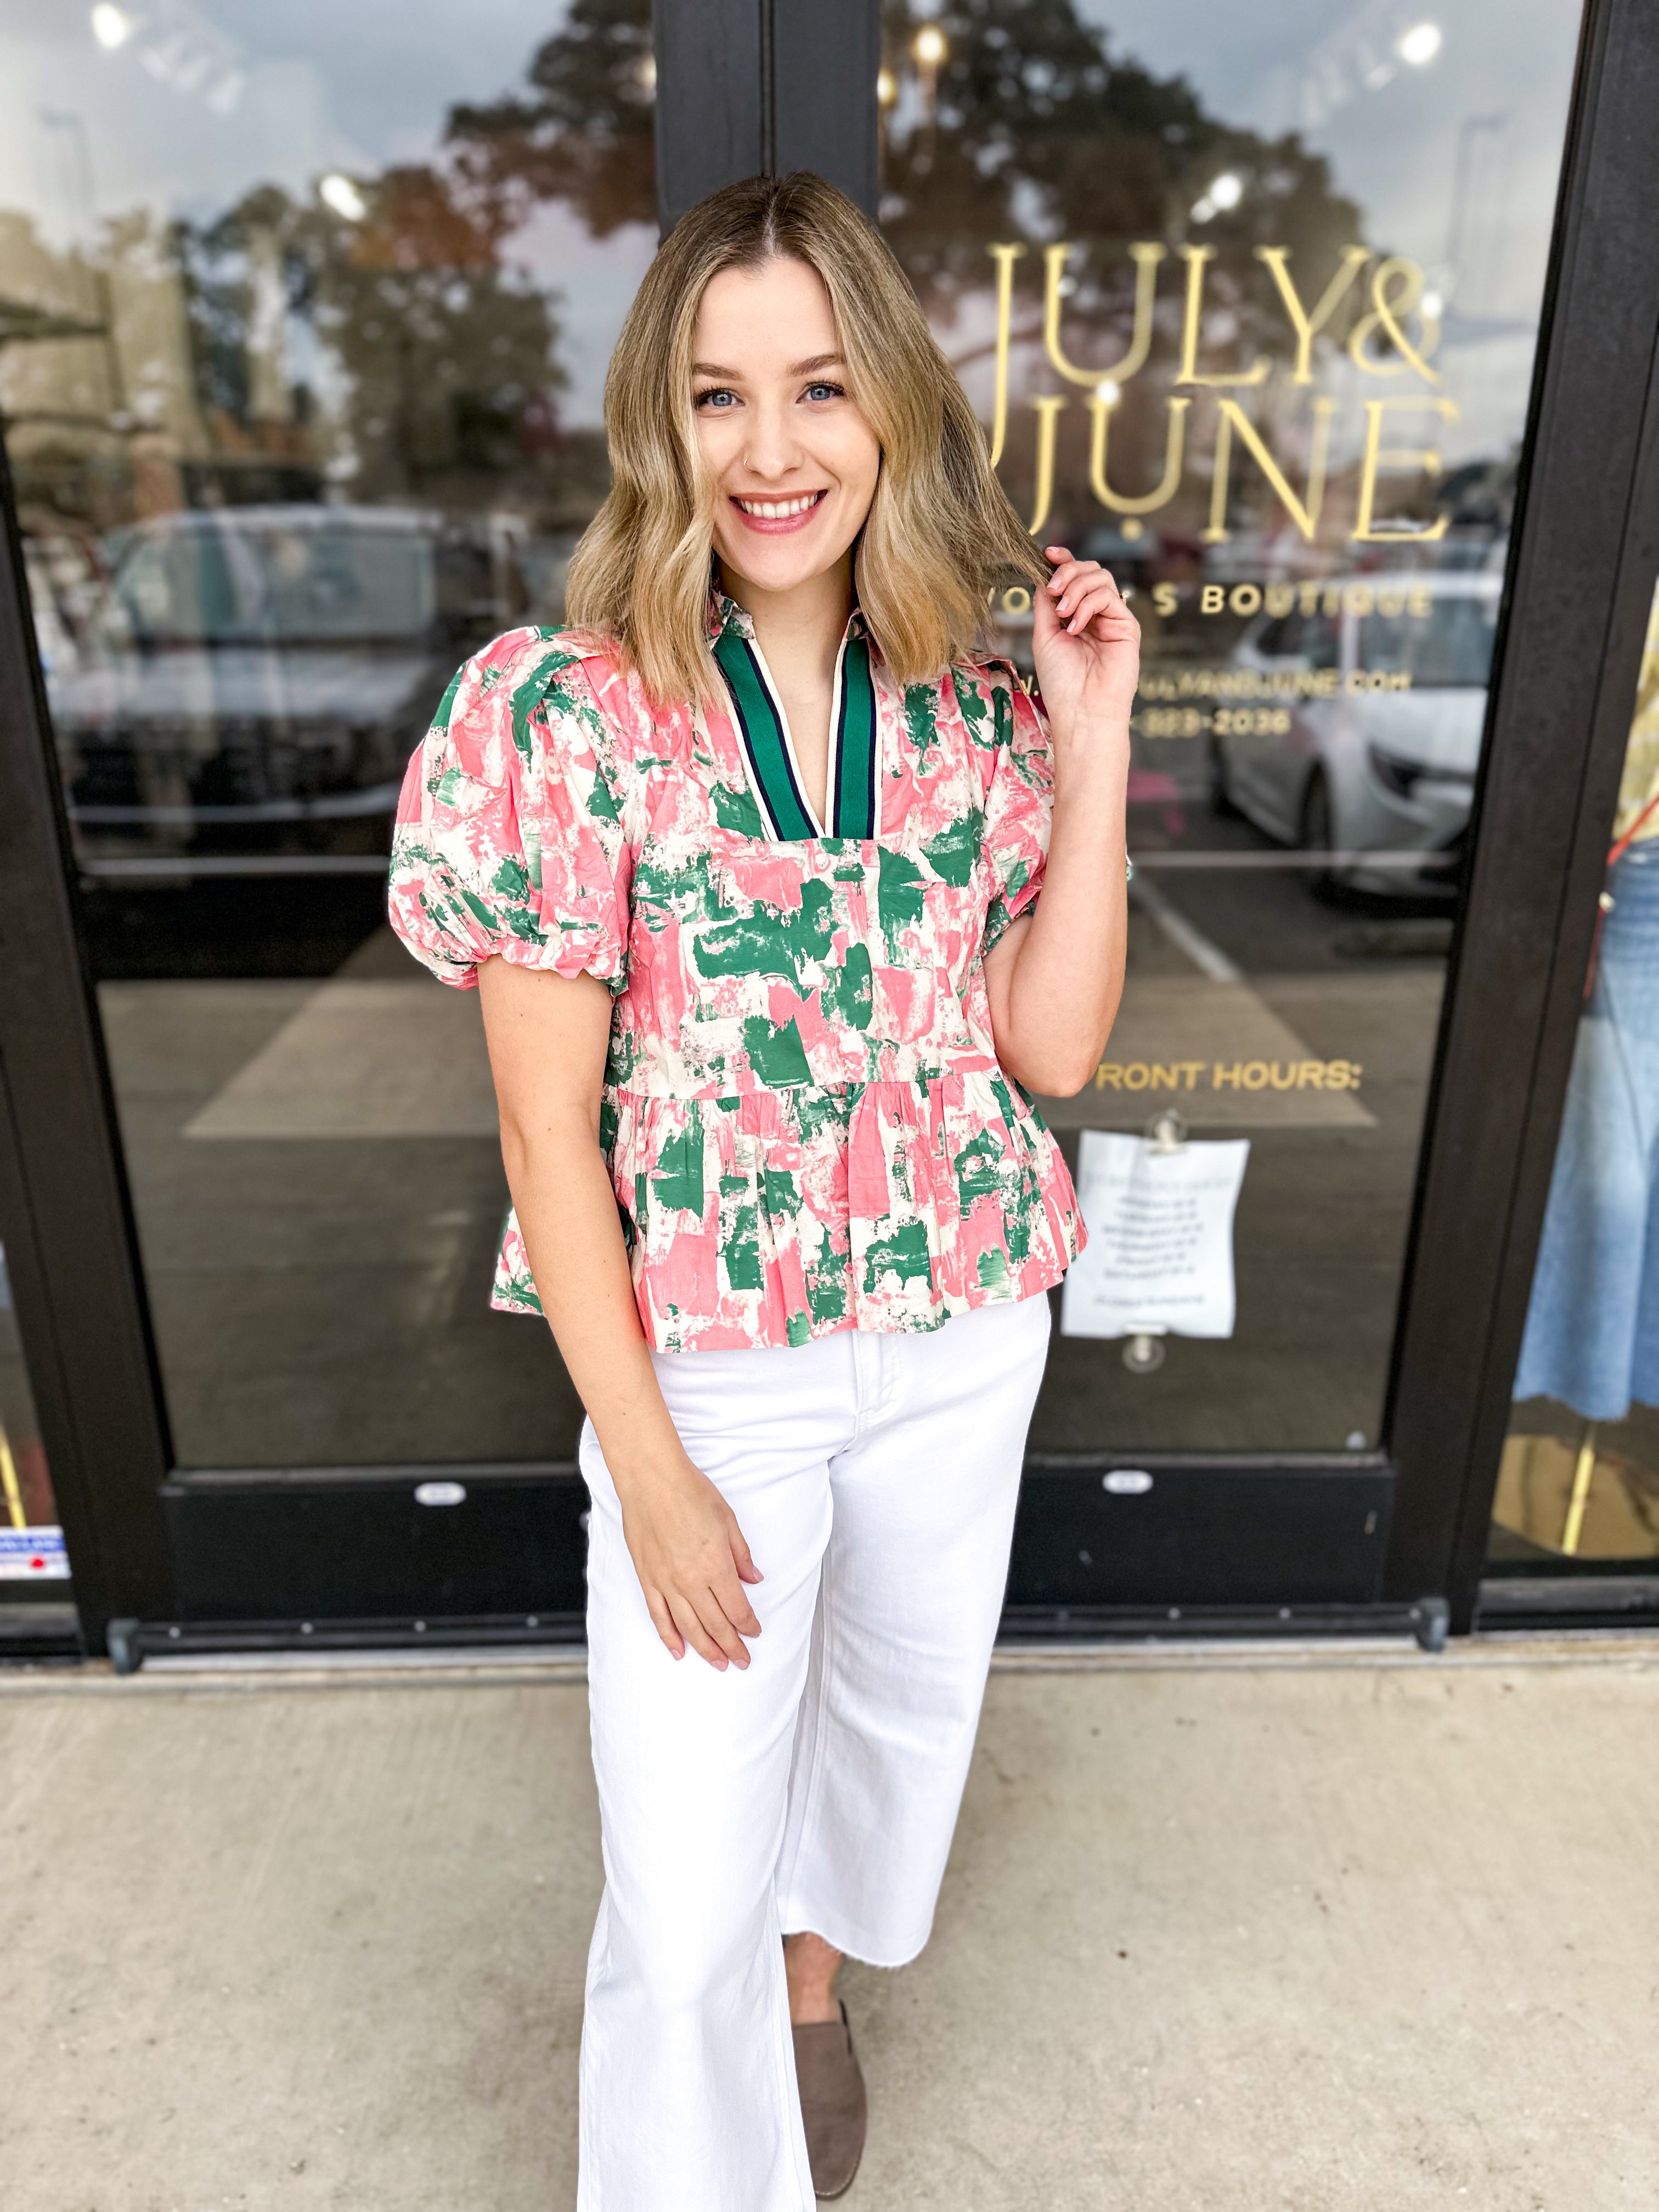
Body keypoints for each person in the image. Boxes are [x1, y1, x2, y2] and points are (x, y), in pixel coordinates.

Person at [388, 170, 1135, 2210]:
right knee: (683, 1863)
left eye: (819, 388)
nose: (775, 450)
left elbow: (1050, 1052)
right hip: (715, 1370)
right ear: (666, 424)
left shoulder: (977, 708)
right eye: (721, 400)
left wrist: (1093, 743)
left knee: (893, 1731)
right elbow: (549, 1137)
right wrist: (643, 1462)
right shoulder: (562, 715)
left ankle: (818, 1999)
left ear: (887, 404)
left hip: (967, 1324)